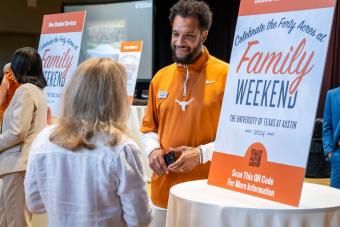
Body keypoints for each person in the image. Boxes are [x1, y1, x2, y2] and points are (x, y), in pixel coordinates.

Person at [24, 58, 153, 227]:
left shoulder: (44, 139)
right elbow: (139, 219)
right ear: (115, 98)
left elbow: (35, 204)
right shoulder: (121, 148)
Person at [140, 0, 229, 225]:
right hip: (163, 193)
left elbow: (237, 138)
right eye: (175, 34)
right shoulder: (160, 78)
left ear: (204, 35)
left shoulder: (227, 75)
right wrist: (153, 151)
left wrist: (200, 154)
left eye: (189, 35)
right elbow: (149, 128)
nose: (180, 42)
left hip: (210, 194)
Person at [0, 47, 48, 227]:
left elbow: (17, 131)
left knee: (16, 221)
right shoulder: (37, 90)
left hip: (18, 165)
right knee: (6, 220)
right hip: (21, 165)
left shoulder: (25, 91)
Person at [322, 87, 340, 188]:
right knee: (336, 197)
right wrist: (329, 151)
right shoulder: (332, 95)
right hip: (338, 155)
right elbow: (327, 127)